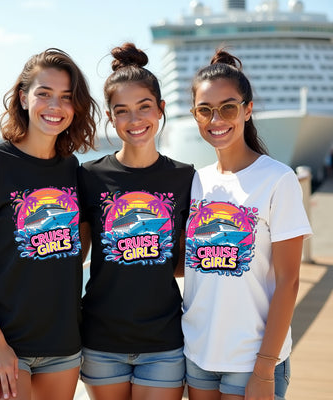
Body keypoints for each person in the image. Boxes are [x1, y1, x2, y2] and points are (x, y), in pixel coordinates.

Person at [0, 48, 99, 400]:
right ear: (23, 98)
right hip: (2, 343)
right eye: (44, 93)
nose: (54, 106)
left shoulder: (72, 169)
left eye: (66, 97)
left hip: (62, 342)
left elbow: (80, 239)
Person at [182, 48, 312, 400]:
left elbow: (289, 281)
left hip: (252, 358)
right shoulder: (194, 182)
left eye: (228, 107)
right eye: (205, 110)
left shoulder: (277, 180)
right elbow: (188, 264)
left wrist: (265, 367)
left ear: (247, 109)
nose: (216, 119)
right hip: (197, 355)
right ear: (195, 115)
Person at [77, 42, 195, 400]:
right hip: (101, 339)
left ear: (160, 109)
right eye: (122, 111)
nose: (135, 120)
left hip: (163, 339)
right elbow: (74, 256)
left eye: (144, 107)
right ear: (111, 118)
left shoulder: (185, 178)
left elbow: (184, 260)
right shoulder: (89, 177)